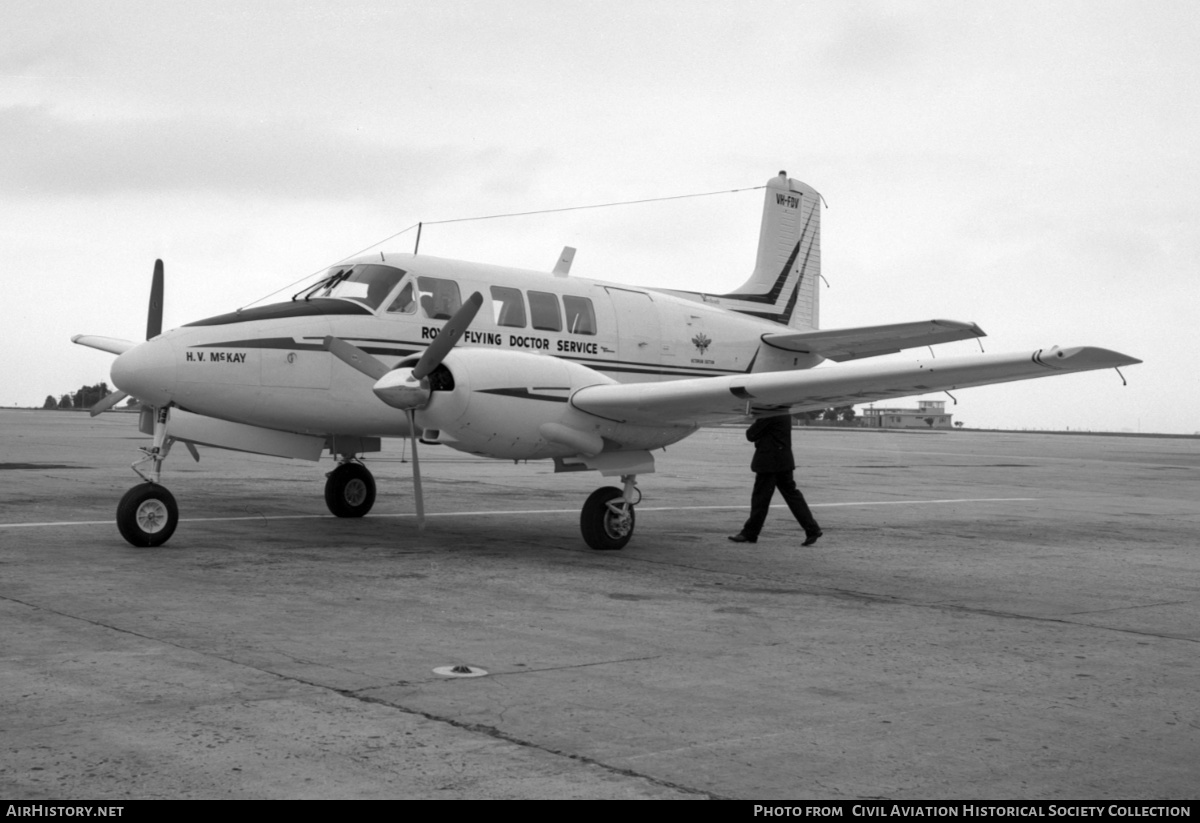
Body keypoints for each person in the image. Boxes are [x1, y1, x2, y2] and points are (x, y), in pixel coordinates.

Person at [729, 414, 823, 546]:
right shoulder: (783, 413)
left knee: (760, 499)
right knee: (793, 497)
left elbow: (750, 434)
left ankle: (749, 533)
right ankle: (812, 529)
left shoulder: (770, 413)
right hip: (783, 461)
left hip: (770, 462)